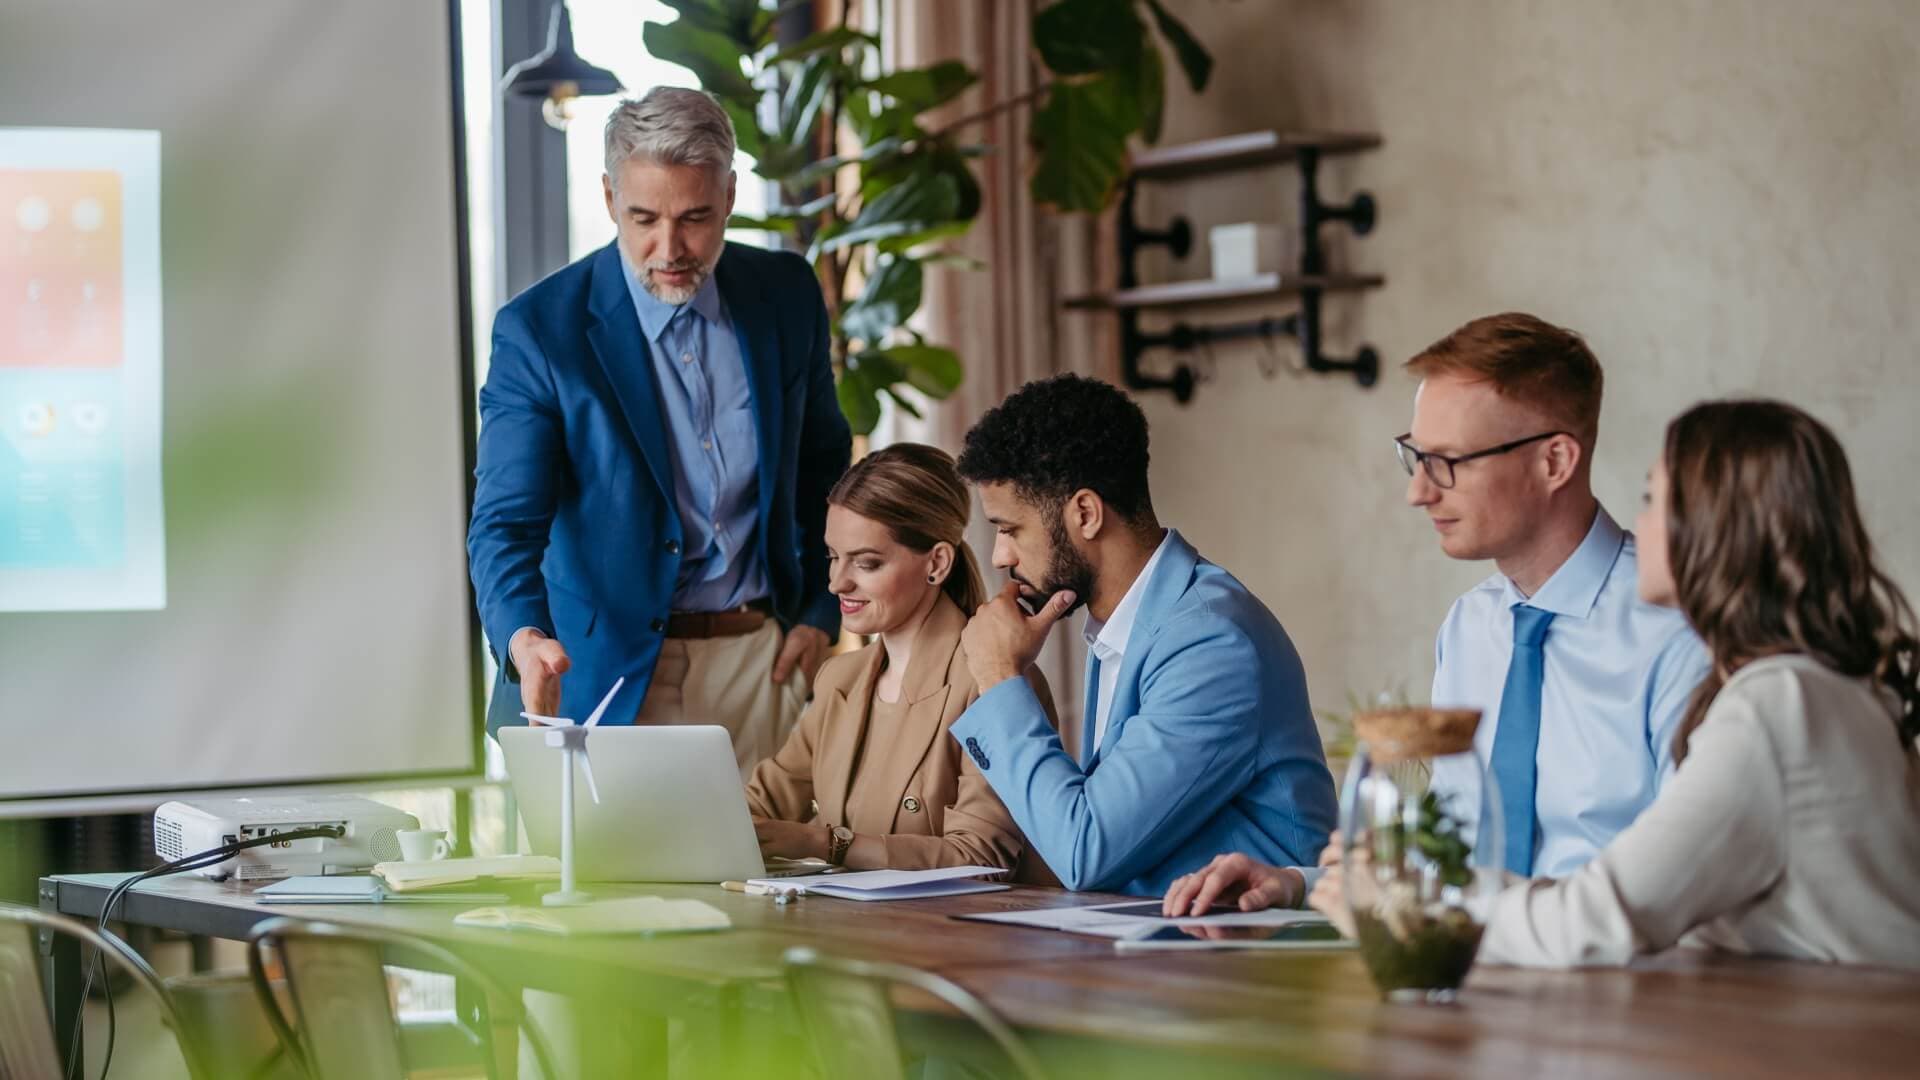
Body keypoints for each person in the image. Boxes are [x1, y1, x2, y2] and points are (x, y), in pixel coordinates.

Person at [1310, 400, 1920, 969]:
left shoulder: (1777, 705)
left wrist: (1408, 907)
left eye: (1654, 498)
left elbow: (1600, 917)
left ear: (1716, 528)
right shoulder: (1819, 688)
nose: (1640, 520)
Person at [1162, 312, 1708, 915]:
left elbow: (1681, 889)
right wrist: (1298, 884)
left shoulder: (1680, 633)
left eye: (1448, 462)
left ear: (1554, 462)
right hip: (1464, 980)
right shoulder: (1470, 628)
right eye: (1414, 457)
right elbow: (1458, 865)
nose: (1418, 491)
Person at [468, 88, 851, 773]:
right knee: (604, 885)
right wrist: (524, 637)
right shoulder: (540, 332)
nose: (669, 248)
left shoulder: (785, 294)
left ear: (730, 195)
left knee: (774, 878)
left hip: (758, 665)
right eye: (644, 217)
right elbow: (504, 525)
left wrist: (822, 610)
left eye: (696, 217)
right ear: (611, 198)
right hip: (599, 678)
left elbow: (825, 467)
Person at [946, 374, 1337, 896]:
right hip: (1160, 947)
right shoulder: (1131, 624)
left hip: (1243, 958)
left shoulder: (1210, 642)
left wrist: (999, 676)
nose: (1000, 557)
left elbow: (1085, 851)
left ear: (1084, 513)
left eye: (1009, 529)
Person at [743, 444, 1059, 872]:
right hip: (845, 930)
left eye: (866, 564)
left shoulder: (996, 683)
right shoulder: (840, 678)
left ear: (937, 563)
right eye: (833, 558)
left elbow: (982, 856)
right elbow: (760, 804)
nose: (837, 583)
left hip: (953, 934)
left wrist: (822, 843)